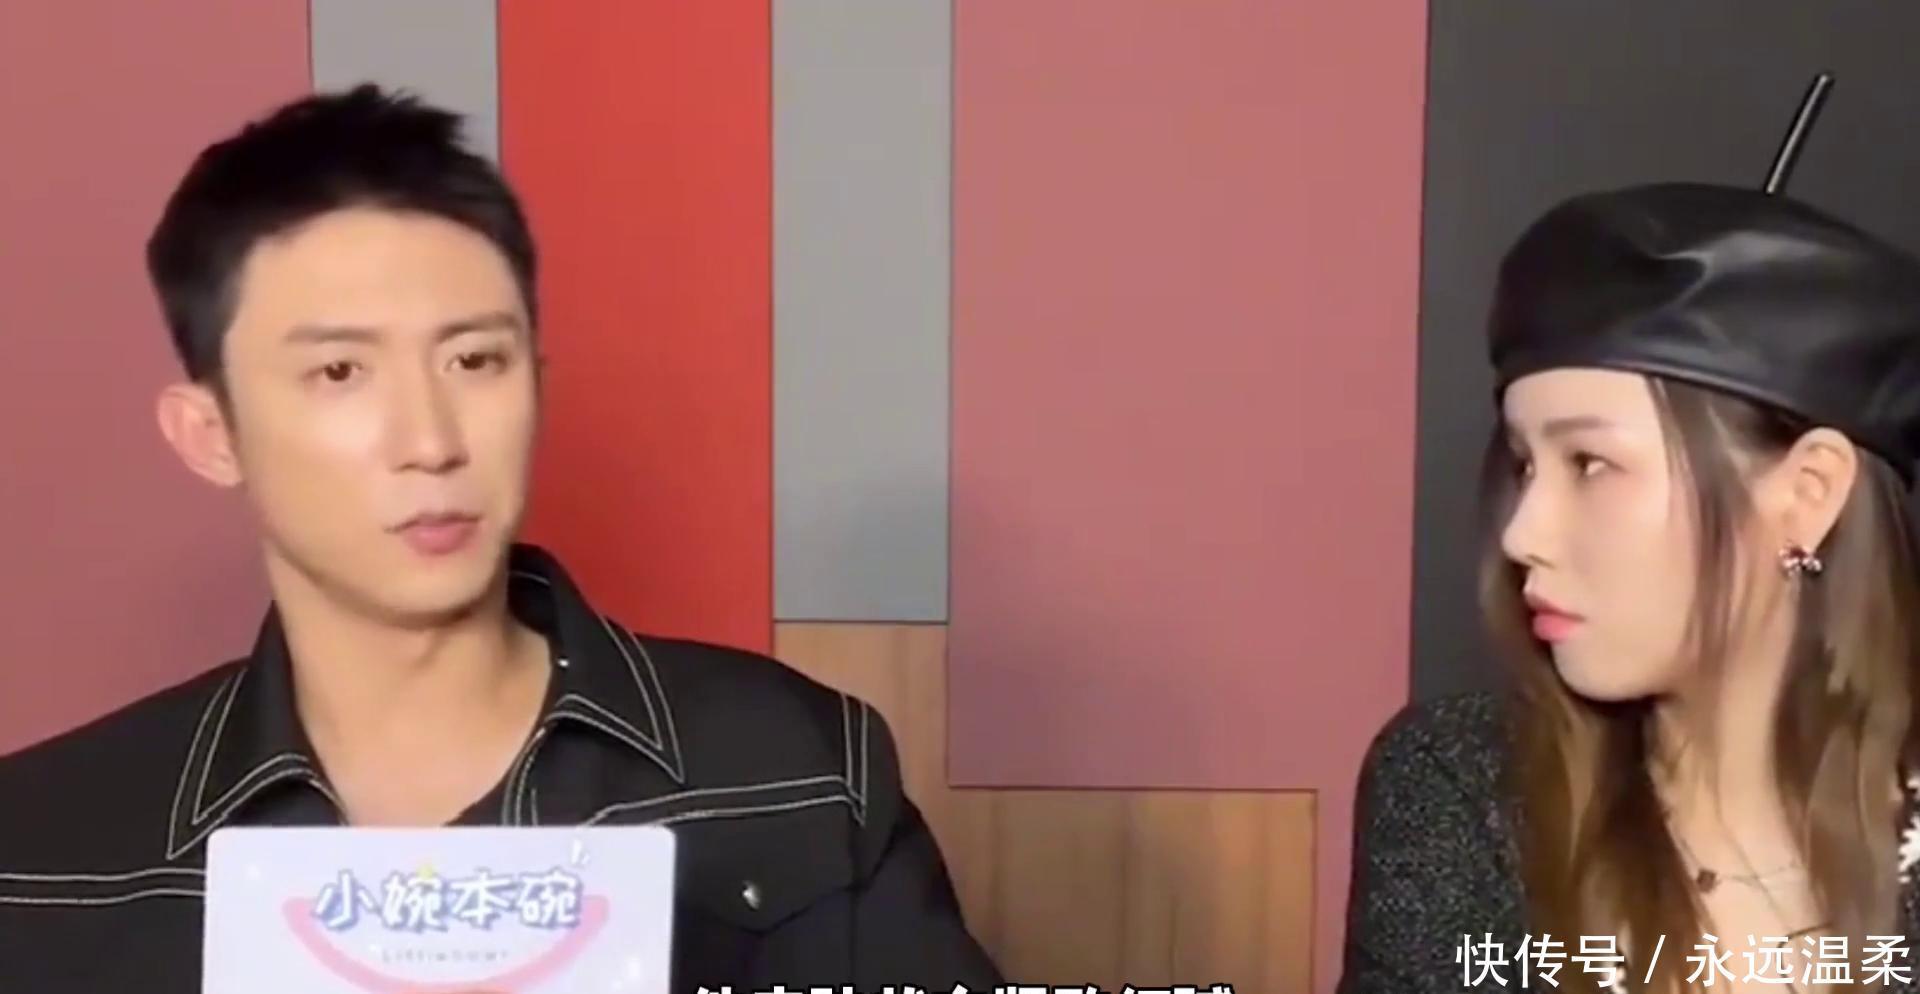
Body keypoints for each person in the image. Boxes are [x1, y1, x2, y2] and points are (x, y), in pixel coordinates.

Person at [0, 85, 1001, 993]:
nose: (432, 441)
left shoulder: (797, 768)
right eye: (341, 373)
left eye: (476, 360)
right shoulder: (43, 848)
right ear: (210, 432)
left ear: (536, 382)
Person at [1337, 163, 1920, 987]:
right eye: (1524, 465)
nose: (1522, 532)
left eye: (1591, 464)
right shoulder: (1462, 791)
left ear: (1807, 493)